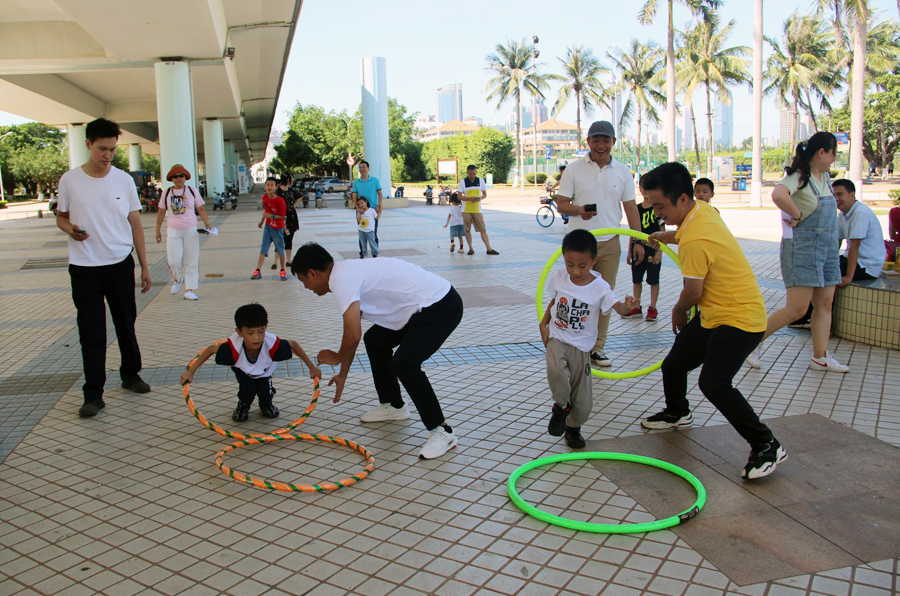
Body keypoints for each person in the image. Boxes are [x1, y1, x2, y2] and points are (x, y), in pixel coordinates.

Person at [640, 162, 787, 480]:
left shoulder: (696, 240)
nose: (655, 212)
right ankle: (678, 412)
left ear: (681, 199)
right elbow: (691, 232)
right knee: (674, 364)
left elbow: (693, 292)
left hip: (740, 319)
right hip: (715, 315)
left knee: (714, 383)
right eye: (651, 205)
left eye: (660, 206)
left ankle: (767, 444)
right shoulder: (703, 211)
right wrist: (668, 235)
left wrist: (678, 311)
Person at [292, 242, 464, 460]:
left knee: (405, 363)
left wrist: (336, 357)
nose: (306, 287)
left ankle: (442, 430)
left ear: (312, 273)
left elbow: (352, 335)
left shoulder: (342, 279)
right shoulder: (344, 273)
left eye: (302, 280)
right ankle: (394, 405)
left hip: (440, 306)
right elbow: (354, 337)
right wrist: (342, 374)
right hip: (420, 308)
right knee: (375, 340)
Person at [55, 118, 151, 418]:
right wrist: (70, 229)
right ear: (88, 144)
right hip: (84, 267)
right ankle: (93, 394)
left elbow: (135, 223)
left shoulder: (123, 180)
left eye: (112, 149)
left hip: (120, 264)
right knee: (92, 332)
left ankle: (130, 374)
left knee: (126, 323)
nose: (107, 155)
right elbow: (61, 216)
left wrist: (145, 266)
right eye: (102, 148)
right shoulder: (69, 180)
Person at [746, 133, 847, 372]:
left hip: (828, 249)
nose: (834, 158)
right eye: (833, 153)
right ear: (822, 152)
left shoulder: (825, 179)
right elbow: (778, 194)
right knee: (797, 309)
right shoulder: (798, 176)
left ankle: (820, 357)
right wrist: (797, 214)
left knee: (825, 303)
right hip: (802, 249)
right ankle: (751, 343)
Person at [555, 120, 644, 369]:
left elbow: (630, 209)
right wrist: (579, 211)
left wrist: (637, 241)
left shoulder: (623, 171)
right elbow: (562, 203)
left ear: (614, 142)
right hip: (579, 244)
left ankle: (597, 348)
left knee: (605, 296)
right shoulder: (574, 169)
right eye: (596, 140)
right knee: (574, 295)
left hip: (609, 244)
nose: (601, 145)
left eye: (606, 140)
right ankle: (571, 345)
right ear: (588, 142)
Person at [540, 229, 639, 449]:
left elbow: (619, 308)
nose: (575, 271)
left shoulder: (600, 287)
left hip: (582, 346)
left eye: (582, 266)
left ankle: (573, 428)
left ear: (594, 261)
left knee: (582, 399)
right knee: (555, 370)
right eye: (569, 264)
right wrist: (543, 324)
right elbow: (554, 302)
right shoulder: (559, 276)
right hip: (557, 337)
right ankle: (560, 407)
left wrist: (629, 307)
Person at [179, 304, 321, 422]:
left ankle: (266, 404)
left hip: (265, 371)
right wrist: (191, 371)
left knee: (266, 392)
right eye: (250, 333)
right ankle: (243, 405)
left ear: (266, 327)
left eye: (261, 331)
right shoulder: (232, 348)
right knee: (248, 390)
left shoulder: (272, 344)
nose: (256, 338)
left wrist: (312, 367)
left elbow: (293, 344)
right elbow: (210, 350)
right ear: (239, 332)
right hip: (243, 370)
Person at [154, 164, 212, 301]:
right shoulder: (167, 192)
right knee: (173, 261)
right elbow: (161, 211)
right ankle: (178, 279)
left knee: (191, 260)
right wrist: (157, 230)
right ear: (171, 178)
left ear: (185, 177)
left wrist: (208, 225)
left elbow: (201, 208)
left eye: (181, 176)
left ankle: (189, 290)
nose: (178, 178)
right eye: (175, 176)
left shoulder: (192, 190)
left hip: (191, 229)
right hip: (173, 230)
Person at [625, 178, 665, 322]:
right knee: (636, 278)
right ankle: (636, 305)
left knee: (653, 279)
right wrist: (629, 251)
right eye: (643, 187)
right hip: (636, 249)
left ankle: (652, 307)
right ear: (640, 189)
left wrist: (659, 252)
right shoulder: (636, 209)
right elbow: (633, 231)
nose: (645, 191)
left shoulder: (658, 210)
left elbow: (663, 232)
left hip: (653, 249)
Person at [834, 179, 885, 284]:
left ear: (852, 195)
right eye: (833, 195)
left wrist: (849, 276)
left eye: (840, 194)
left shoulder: (860, 213)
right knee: (820, 268)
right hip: (852, 259)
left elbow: (855, 246)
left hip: (867, 266)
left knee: (827, 273)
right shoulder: (842, 215)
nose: (836, 199)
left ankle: (826, 301)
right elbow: (836, 243)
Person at [251, 177, 287, 281]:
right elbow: (267, 211)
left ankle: (283, 270)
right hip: (268, 227)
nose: (269, 187)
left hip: (278, 228)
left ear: (276, 187)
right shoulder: (265, 198)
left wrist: (271, 216)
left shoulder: (280, 201)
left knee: (280, 250)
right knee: (263, 248)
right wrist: (262, 220)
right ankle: (257, 271)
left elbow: (283, 216)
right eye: (268, 184)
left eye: (272, 185)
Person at [458, 165, 499, 256]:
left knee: (482, 229)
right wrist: (469, 198)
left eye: (474, 174)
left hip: (477, 209)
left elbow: (484, 194)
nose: (473, 175)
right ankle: (470, 248)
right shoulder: (463, 182)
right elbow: (459, 196)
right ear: (467, 173)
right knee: (467, 229)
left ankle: (489, 248)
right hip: (466, 210)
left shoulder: (480, 181)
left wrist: (480, 198)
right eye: (471, 174)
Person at [350, 161, 383, 243]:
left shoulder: (375, 180)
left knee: (373, 233)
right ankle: (362, 254)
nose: (362, 169)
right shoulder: (356, 182)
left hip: (373, 209)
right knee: (362, 234)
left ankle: (375, 254)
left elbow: (380, 194)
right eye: (360, 167)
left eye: (364, 167)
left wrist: (379, 205)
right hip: (362, 211)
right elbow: (354, 195)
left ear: (368, 168)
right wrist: (358, 208)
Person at [276, 173, 300, 268]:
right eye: (291, 178)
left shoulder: (291, 190)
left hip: (291, 217)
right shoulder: (278, 191)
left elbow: (300, 196)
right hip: (282, 218)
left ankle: (288, 259)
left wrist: (295, 204)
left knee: (289, 238)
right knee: (281, 238)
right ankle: (276, 260)